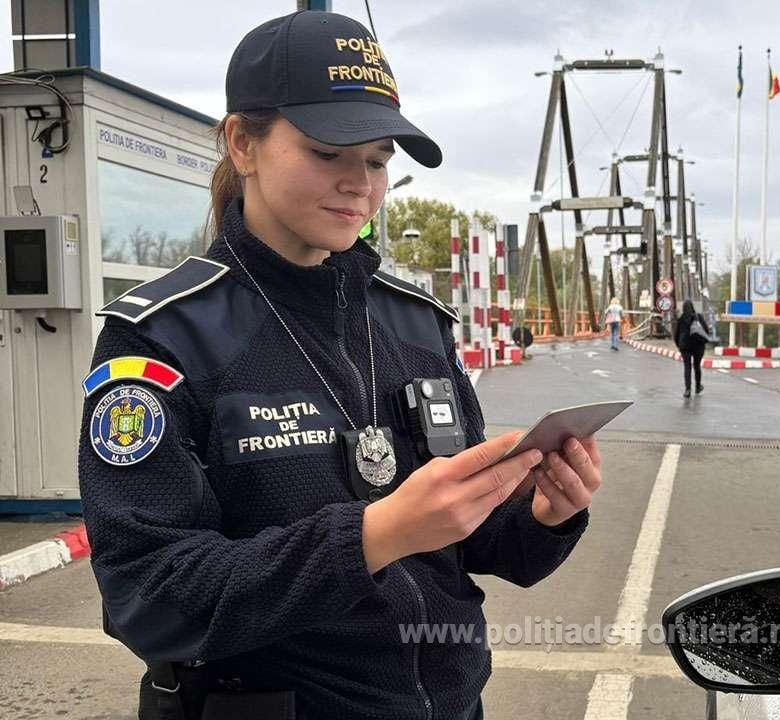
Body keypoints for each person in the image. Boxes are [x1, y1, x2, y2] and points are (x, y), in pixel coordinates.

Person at [77, 11, 601, 720]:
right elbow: (150, 596)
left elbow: (471, 542)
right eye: (329, 152)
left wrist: (545, 514)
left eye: (380, 160)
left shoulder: (415, 323)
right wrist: (373, 536)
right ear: (242, 143)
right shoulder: (164, 340)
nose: (360, 183)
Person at [674, 300, 712, 398]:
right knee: (697, 366)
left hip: (685, 347)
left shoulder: (681, 319)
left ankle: (687, 390)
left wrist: (679, 346)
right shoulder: (698, 317)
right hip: (698, 346)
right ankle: (698, 386)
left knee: (687, 367)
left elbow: (676, 335)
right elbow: (706, 330)